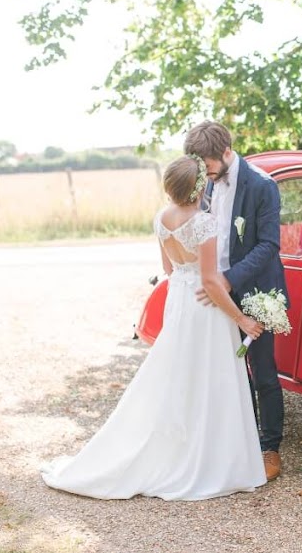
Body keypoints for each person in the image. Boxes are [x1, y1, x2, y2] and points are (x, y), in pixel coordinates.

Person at [41, 156, 266, 500]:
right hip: (204, 309)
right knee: (208, 377)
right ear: (198, 188)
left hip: (179, 302)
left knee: (179, 376)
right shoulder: (203, 224)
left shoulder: (161, 219)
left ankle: (179, 446)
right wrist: (241, 319)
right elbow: (209, 281)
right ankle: (205, 459)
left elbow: (170, 269)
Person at [184, 120, 287, 482]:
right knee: (225, 370)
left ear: (226, 152)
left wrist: (228, 280)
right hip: (217, 292)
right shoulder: (206, 183)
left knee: (264, 374)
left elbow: (269, 245)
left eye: (210, 167)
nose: (207, 177)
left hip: (256, 290)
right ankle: (234, 442)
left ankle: (269, 447)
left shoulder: (262, 185)